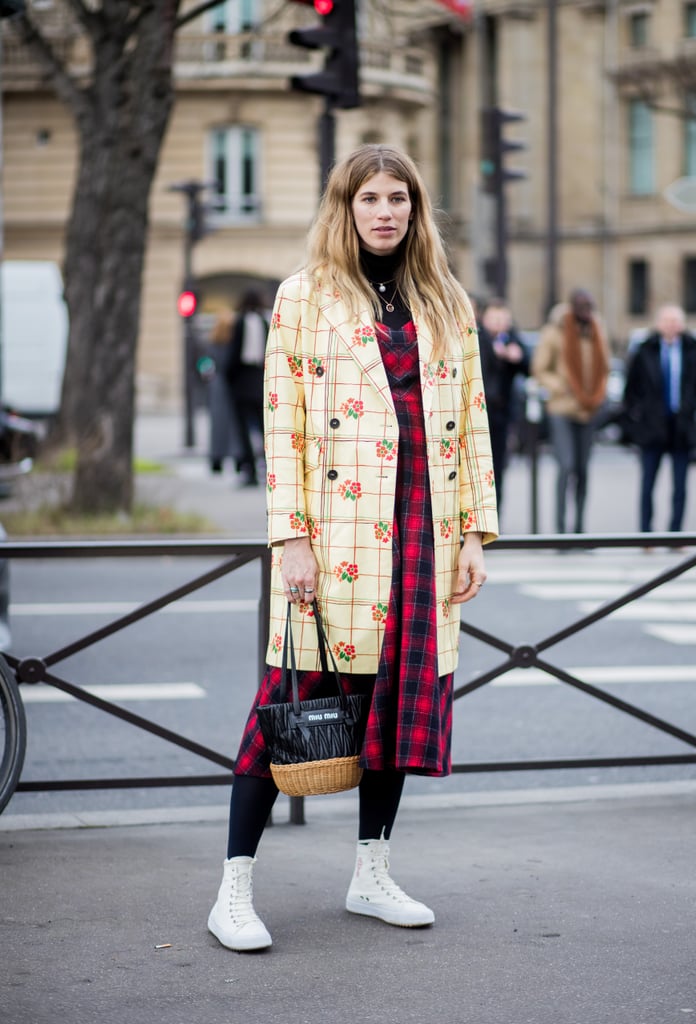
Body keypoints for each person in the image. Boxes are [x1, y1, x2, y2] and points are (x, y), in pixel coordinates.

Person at [207, 144, 499, 952]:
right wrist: (289, 538)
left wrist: (476, 531)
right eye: (370, 197)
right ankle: (233, 888)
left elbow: (471, 419)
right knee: (283, 710)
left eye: (398, 198)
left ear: (415, 208)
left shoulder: (443, 297)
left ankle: (370, 873)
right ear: (345, 206)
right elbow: (284, 427)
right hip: (337, 532)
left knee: (400, 707)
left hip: (425, 531)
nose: (385, 211)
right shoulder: (304, 296)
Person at [622, 304, 696, 534]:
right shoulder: (645, 350)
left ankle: (676, 533)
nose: (671, 325)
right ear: (659, 324)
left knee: (680, 485)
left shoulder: (692, 349)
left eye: (675, 321)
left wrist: (690, 407)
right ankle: (646, 534)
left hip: (681, 426)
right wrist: (642, 415)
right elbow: (631, 390)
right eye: (667, 320)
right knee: (648, 483)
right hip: (653, 426)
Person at [531, 289, 610, 534]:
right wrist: (560, 386)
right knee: (566, 466)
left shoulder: (597, 330)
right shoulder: (555, 332)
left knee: (583, 470)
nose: (587, 311)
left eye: (590, 306)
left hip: (588, 409)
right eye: (582, 306)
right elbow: (540, 369)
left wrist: (599, 391)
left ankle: (579, 529)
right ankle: (560, 529)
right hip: (562, 409)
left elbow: (605, 366)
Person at [477, 298, 530, 512]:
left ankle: (495, 514)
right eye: (495, 318)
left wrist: (514, 357)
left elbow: (528, 365)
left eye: (503, 319)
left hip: (502, 414)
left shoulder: (512, 340)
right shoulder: (478, 338)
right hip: (481, 411)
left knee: (498, 467)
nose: (499, 323)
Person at [224, 290, 268, 486]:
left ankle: (249, 469)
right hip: (260, 378)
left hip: (242, 380)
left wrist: (228, 376)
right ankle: (268, 466)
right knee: (264, 428)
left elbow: (234, 353)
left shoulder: (240, 322)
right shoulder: (265, 322)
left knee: (243, 429)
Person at [205, 309, 243, 474]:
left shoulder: (212, 342)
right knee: (235, 424)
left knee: (217, 424)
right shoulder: (234, 343)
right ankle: (237, 457)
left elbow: (205, 364)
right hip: (232, 383)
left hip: (217, 384)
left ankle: (216, 457)